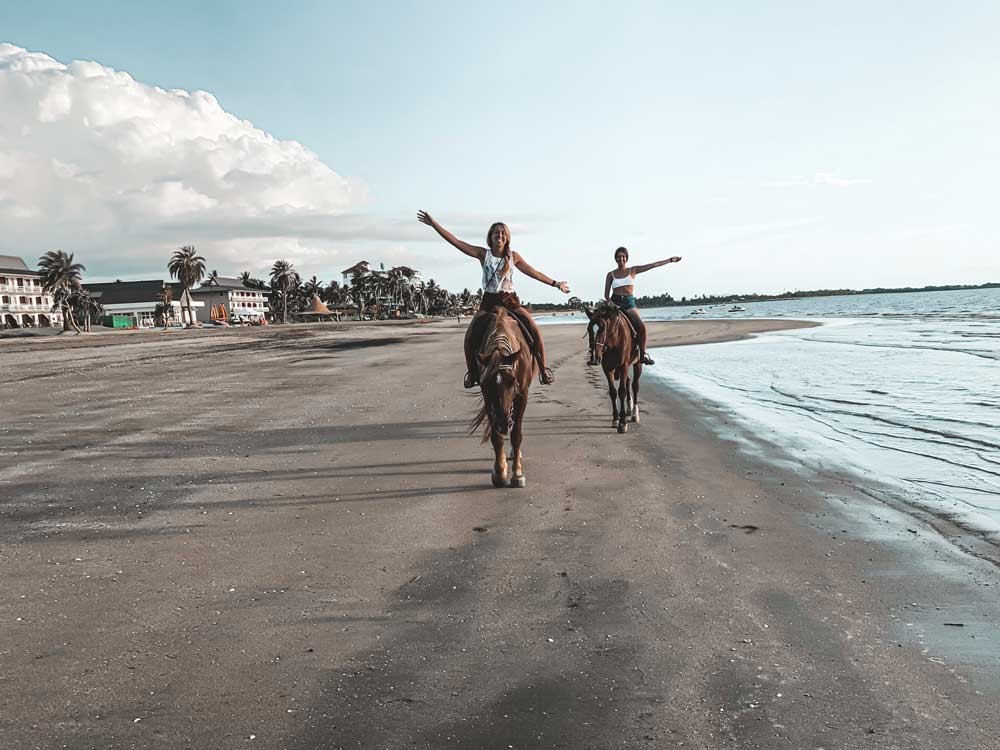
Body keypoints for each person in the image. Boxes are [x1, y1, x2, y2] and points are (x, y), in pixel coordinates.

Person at [417, 210, 570, 387]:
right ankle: (473, 374)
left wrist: (556, 284)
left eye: (503, 233)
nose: (500, 235)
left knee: (534, 329)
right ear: (490, 237)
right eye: (496, 232)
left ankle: (543, 370)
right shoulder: (483, 254)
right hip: (489, 302)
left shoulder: (514, 257)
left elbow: (534, 273)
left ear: (507, 238)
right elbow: (457, 242)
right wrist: (434, 224)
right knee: (470, 335)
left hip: (510, 301)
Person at [605, 246, 682, 365]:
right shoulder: (611, 274)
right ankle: (597, 351)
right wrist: (609, 302)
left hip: (629, 304)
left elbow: (653, 265)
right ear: (616, 259)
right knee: (602, 325)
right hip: (615, 304)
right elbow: (606, 295)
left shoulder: (633, 270)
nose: (621, 258)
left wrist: (670, 260)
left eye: (623, 256)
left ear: (627, 258)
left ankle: (643, 353)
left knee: (641, 326)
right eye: (619, 256)